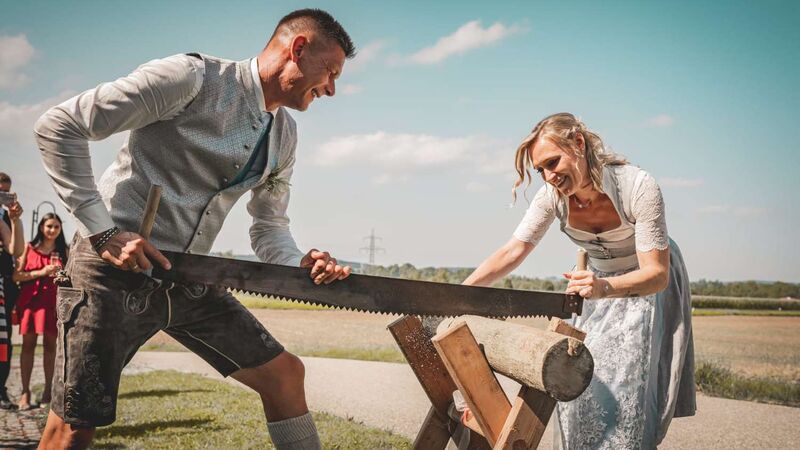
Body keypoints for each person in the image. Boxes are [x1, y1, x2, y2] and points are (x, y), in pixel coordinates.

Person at [34, 9, 355, 449]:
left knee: (284, 376)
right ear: (298, 49)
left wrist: (298, 261)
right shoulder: (189, 78)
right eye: (330, 72)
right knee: (73, 426)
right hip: (110, 272)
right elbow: (58, 126)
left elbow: (269, 227)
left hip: (188, 276)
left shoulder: (284, 135)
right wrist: (103, 233)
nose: (332, 89)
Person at [463, 113, 695, 449]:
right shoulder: (551, 197)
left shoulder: (638, 186)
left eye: (552, 162)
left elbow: (656, 274)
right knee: (578, 384)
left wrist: (603, 288)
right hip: (595, 285)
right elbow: (513, 250)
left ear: (578, 144)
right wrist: (461, 293)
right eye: (540, 169)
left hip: (645, 285)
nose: (548, 176)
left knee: (626, 389)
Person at [13, 213, 67, 410]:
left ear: (60, 230)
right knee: (28, 346)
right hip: (31, 302)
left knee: (50, 347)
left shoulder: (64, 251)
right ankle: (25, 392)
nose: (52, 230)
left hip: (52, 303)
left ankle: (47, 392)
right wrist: (41, 272)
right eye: (49, 226)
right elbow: (16, 275)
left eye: (56, 227)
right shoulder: (29, 248)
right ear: (42, 227)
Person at [0, 172, 23, 410]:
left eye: (6, 192)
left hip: (3, 283)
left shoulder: (2, 217)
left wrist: (15, 220)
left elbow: (15, 250)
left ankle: (0, 389)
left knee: (3, 341)